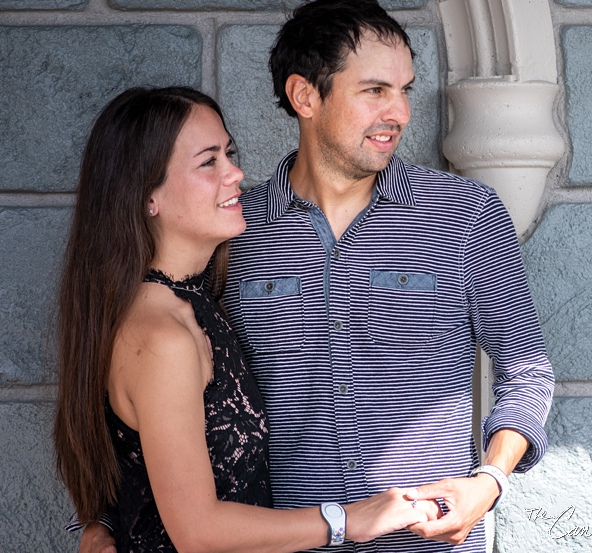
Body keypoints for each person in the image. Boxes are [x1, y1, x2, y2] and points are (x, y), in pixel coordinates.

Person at [82, 0, 554, 553]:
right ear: (305, 95)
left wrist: (488, 483)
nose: (399, 112)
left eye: (404, 90)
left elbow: (526, 369)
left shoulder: (465, 213)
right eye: (375, 90)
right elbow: (153, 391)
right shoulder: (232, 228)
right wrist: (105, 521)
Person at [58, 86, 439, 553]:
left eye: (229, 153)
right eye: (208, 162)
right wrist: (350, 520)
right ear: (146, 196)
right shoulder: (162, 335)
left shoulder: (196, 301)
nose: (235, 172)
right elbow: (197, 531)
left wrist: (101, 521)